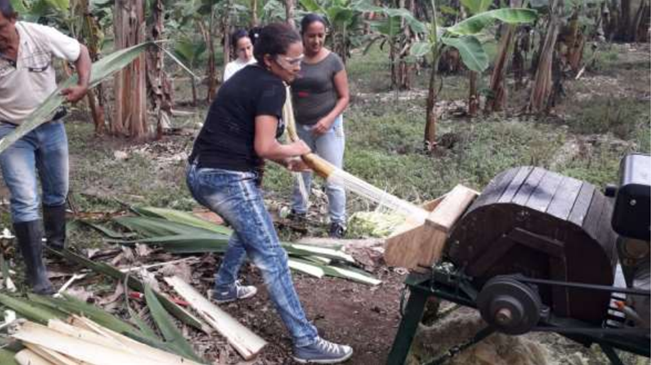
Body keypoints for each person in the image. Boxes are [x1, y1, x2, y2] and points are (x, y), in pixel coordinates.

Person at [186, 23, 354, 364]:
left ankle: (224, 286)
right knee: (273, 256)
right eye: (292, 62)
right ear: (269, 60)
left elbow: (249, 142)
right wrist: (295, 147)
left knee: (247, 228)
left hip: (201, 171)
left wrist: (287, 161)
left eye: (299, 61)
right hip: (225, 178)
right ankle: (306, 341)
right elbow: (264, 145)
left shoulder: (248, 76)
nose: (298, 67)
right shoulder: (271, 87)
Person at [0, 0, 91, 295]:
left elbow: (82, 53)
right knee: (25, 197)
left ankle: (56, 244)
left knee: (57, 189)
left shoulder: (40, 35)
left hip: (51, 125)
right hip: (12, 131)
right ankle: (37, 274)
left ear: (13, 19)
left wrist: (83, 85)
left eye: (0, 28)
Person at [290, 14, 350, 238]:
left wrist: (327, 120)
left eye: (320, 35)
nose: (316, 41)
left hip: (329, 128)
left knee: (332, 175)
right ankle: (298, 213)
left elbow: (344, 97)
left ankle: (338, 222)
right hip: (300, 127)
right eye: (311, 36)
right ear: (302, 35)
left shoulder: (333, 61)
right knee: (300, 171)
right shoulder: (294, 59)